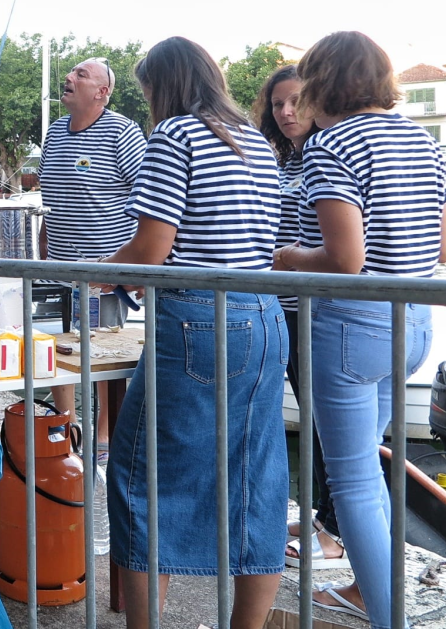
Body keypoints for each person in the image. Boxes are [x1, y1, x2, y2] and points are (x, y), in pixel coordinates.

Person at [99, 37, 287, 629]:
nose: (147, 100)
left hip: (197, 323)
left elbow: (154, 248)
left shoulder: (175, 136)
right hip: (262, 319)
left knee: (141, 481)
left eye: (147, 89)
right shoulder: (254, 140)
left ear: (164, 85)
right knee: (255, 484)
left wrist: (96, 275)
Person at [276, 31, 446, 627]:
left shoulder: (333, 145)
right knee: (365, 478)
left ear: (323, 81)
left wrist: (290, 257)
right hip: (414, 323)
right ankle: (378, 597)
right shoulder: (421, 140)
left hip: (352, 328)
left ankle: (385, 617)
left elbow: (344, 260)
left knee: (351, 485)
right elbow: (443, 244)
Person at [254, 66, 349, 569]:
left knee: (330, 425)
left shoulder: (329, 153)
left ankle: (334, 533)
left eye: (295, 102)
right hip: (283, 308)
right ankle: (319, 518)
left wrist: (289, 257)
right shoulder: (285, 159)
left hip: (321, 310)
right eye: (276, 105)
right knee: (310, 421)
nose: (286, 112)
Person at [37, 57, 148, 449]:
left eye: (81, 74)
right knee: (56, 348)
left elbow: (147, 197)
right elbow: (49, 194)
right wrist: (44, 239)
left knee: (104, 352)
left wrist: (133, 265)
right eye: (71, 72)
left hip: (106, 272)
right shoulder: (54, 132)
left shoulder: (122, 132)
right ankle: (65, 427)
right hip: (57, 268)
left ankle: (105, 437)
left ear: (102, 92)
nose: (69, 77)